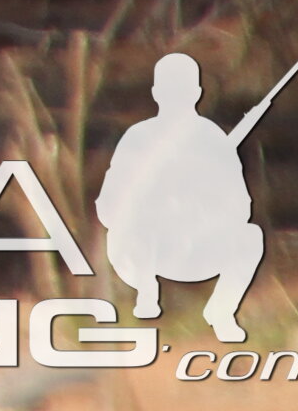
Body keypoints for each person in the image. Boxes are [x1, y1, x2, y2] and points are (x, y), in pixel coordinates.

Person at [103, 51, 269, 342]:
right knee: (140, 230)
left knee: (250, 236)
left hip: (196, 246)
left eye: (182, 90)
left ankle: (221, 311)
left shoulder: (213, 140)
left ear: (197, 93)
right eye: (170, 90)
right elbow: (108, 209)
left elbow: (241, 208)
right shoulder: (137, 137)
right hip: (140, 254)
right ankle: (145, 297)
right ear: (156, 93)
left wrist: (203, 203)